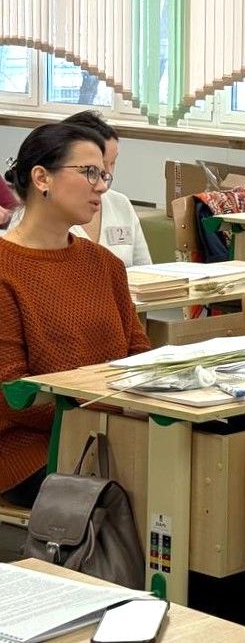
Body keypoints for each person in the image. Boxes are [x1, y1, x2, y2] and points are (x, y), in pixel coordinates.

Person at [0, 123, 150, 507]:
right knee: (154, 495)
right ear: (42, 178)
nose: (101, 187)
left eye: (104, 175)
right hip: (30, 448)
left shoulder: (104, 265)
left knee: (209, 471)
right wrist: (109, 410)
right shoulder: (5, 270)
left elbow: (138, 355)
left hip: (110, 432)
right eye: (89, 173)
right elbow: (10, 394)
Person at [9, 111, 152, 267]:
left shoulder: (105, 262)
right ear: (42, 178)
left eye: (112, 163)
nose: (105, 181)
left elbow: (146, 272)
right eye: (90, 171)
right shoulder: (14, 256)